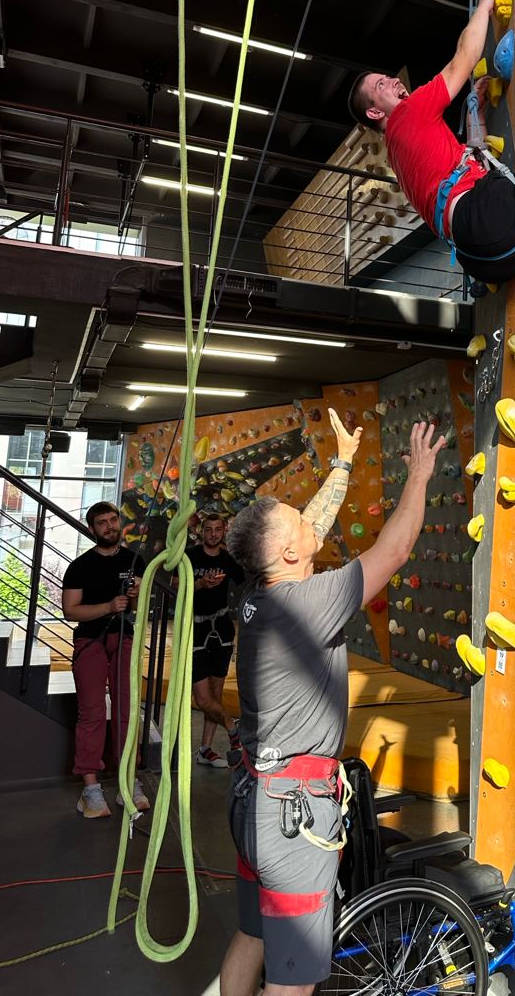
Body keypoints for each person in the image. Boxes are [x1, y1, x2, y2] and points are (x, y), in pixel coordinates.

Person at [219, 414, 444, 996]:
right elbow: (392, 552)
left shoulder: (259, 595)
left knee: (253, 936)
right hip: (292, 818)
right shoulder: (305, 605)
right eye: (296, 521)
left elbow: (311, 525)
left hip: (254, 798)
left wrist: (344, 462)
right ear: (290, 552)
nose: (308, 519)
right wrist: (419, 474)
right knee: (293, 981)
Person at [347, 0, 515, 283]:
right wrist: (485, 5)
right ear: (375, 112)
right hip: (487, 224)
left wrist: (477, 110)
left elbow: (471, 160)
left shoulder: (398, 157)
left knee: (499, 184)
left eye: (388, 77)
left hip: (484, 262)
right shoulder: (408, 113)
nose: (393, 81)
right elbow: (464, 56)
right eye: (381, 85)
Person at [61, 501, 150, 819]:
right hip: (91, 641)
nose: (110, 526)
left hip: (125, 638)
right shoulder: (80, 566)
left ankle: (128, 781)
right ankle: (91, 790)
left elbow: (139, 603)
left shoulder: (135, 561)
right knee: (92, 712)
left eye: (113, 520)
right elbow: (70, 610)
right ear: (92, 529)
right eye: (102, 522)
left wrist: (138, 593)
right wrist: (109, 606)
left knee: (127, 711)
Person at [185, 513, 245, 769]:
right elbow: (173, 584)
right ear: (201, 531)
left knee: (216, 693)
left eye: (217, 530)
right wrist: (199, 584)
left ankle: (206, 749)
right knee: (203, 699)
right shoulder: (191, 555)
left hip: (220, 627)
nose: (212, 534)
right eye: (208, 529)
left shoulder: (227, 558)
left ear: (223, 531)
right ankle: (233, 729)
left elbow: (246, 579)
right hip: (195, 627)